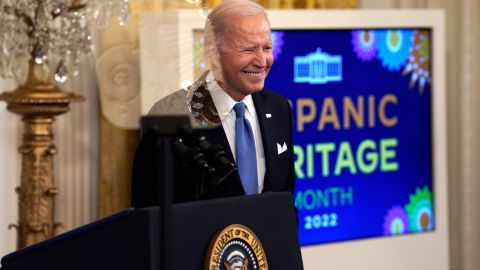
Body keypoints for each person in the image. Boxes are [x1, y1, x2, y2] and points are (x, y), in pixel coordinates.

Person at [131, 0, 294, 208]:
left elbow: (286, 206)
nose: (262, 61)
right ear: (214, 53)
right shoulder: (169, 115)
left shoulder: (278, 108)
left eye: (267, 47)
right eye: (249, 49)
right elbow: (150, 217)